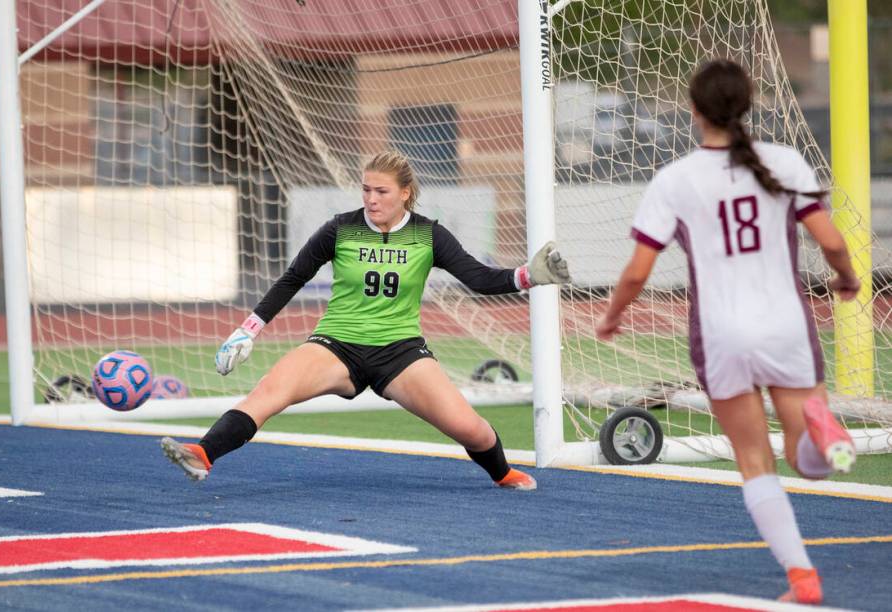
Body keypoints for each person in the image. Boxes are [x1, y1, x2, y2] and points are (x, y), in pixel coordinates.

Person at [595, 59, 860, 605]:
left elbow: (639, 270)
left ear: (693, 111)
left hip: (721, 335)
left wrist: (614, 314)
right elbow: (831, 242)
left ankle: (802, 578)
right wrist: (847, 278)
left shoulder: (676, 179)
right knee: (804, 462)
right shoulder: (784, 162)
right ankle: (818, 431)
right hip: (785, 324)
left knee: (754, 462)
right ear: (749, 103)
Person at [162, 150, 571, 491]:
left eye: (381, 191)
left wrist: (528, 276)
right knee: (269, 392)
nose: (371, 199)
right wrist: (247, 330)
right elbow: (294, 278)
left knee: (474, 431)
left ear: (405, 194)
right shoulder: (341, 228)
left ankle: (501, 473)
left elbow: (479, 279)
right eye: (366, 190)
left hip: (401, 353)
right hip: (336, 344)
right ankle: (202, 454)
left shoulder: (430, 235)